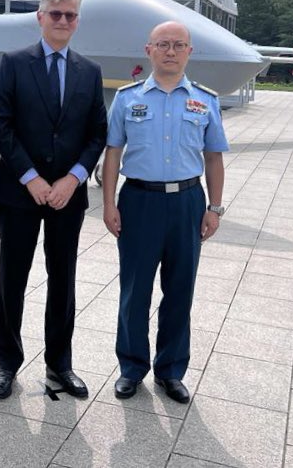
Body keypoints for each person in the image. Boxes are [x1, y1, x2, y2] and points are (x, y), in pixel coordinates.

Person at [0, 0, 108, 400]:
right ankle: (7, 363)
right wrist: (31, 177)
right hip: (20, 193)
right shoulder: (15, 63)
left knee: (63, 281)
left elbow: (97, 133)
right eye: (55, 14)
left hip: (66, 196)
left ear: (77, 21)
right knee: (13, 279)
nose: (62, 21)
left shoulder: (89, 71)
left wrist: (74, 178)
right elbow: (0, 124)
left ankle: (60, 363)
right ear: (40, 18)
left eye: (70, 15)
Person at [101, 20, 228, 404]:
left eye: (178, 45)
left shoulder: (206, 100)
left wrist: (215, 208)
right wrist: (108, 203)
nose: (170, 51)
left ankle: (171, 371)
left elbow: (213, 157)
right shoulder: (126, 98)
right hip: (139, 201)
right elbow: (112, 154)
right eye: (163, 44)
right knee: (134, 290)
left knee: (179, 291)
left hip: (188, 202)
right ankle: (132, 368)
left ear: (189, 51)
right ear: (148, 50)